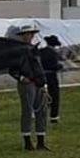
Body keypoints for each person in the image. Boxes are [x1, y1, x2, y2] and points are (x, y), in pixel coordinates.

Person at [5, 23, 50, 151]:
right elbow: (12, 69)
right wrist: (20, 78)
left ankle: (41, 141)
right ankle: (27, 141)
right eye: (26, 34)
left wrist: (44, 83)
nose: (29, 36)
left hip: (38, 82)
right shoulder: (18, 51)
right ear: (22, 36)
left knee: (42, 110)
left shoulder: (35, 49)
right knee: (27, 111)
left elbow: (40, 68)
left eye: (31, 34)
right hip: (27, 83)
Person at [40, 35, 64, 124]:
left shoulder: (41, 51)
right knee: (54, 96)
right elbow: (54, 66)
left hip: (42, 76)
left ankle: (40, 115)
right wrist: (60, 66)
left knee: (42, 96)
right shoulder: (53, 53)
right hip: (51, 77)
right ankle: (54, 117)